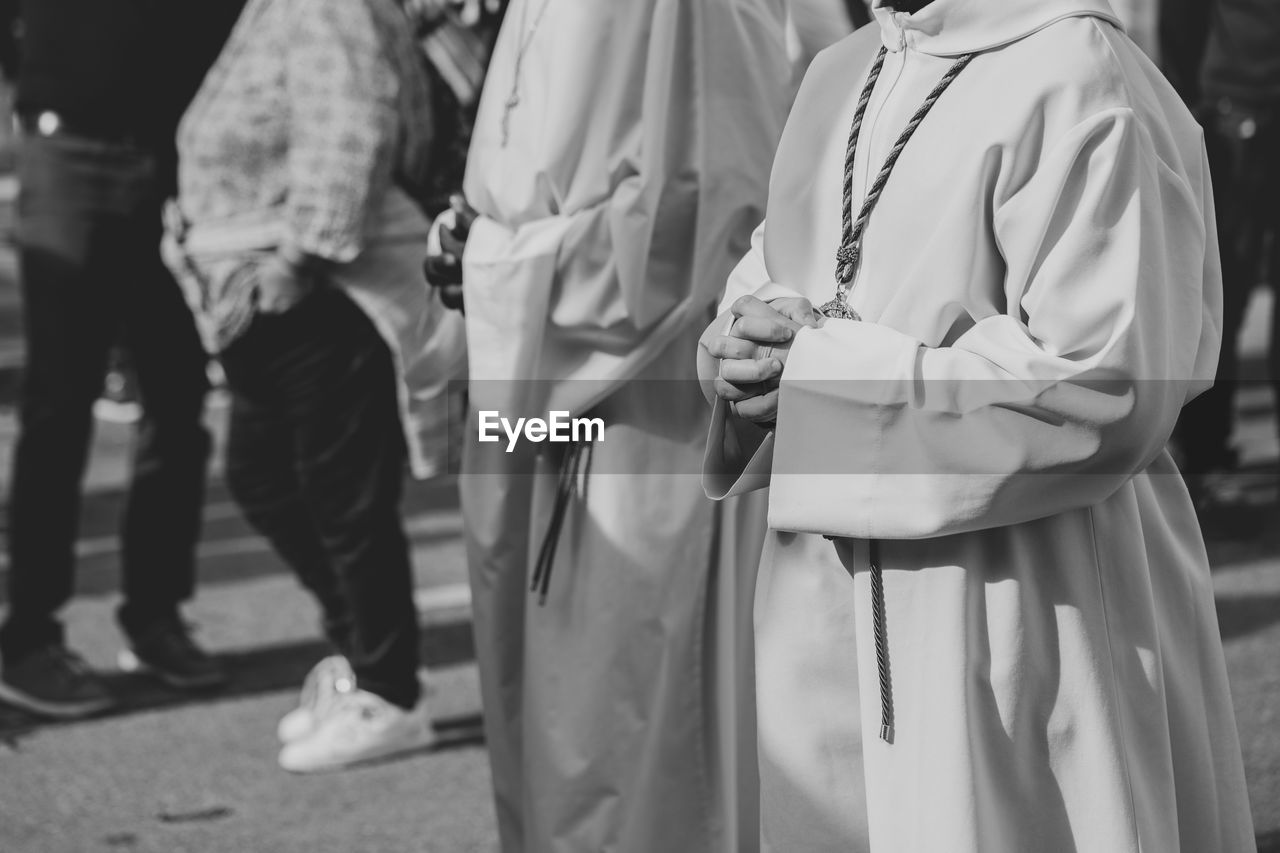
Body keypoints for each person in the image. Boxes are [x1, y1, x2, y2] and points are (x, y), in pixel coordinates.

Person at [699, 0, 1256, 850]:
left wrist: (822, 376)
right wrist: (741, 339)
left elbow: (1108, 388)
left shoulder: (1080, 75)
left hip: (1022, 602)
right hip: (823, 601)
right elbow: (783, 263)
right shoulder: (845, 68)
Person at [424, 1, 789, 849]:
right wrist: (469, 246)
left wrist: (491, 263)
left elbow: (695, 220)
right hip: (539, 387)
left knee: (622, 725)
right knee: (553, 698)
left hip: (638, 413)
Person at [163, 0, 466, 773]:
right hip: (270, 284)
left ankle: (390, 692)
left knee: (341, 500)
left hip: (313, 286)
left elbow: (349, 128)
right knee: (266, 481)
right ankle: (366, 662)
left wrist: (300, 258)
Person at [0, 0, 242, 719]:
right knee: (60, 405)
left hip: (180, 164)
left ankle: (156, 617)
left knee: (176, 399)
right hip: (68, 152)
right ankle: (28, 637)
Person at [1171, 0, 1279, 506]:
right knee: (1220, 293)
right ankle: (1207, 456)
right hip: (1233, 118)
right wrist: (1192, 112)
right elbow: (1180, 21)